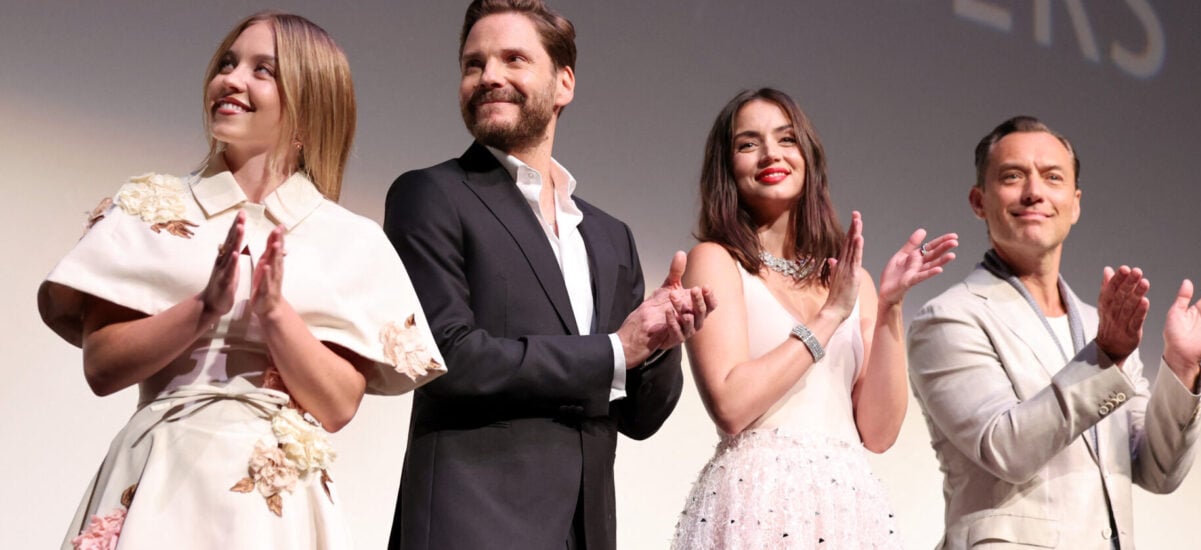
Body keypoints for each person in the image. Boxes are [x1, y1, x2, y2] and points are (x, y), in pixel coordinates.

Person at [38, 11, 446, 549]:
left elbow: (337, 406)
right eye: (227, 64)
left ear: (309, 102)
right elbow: (102, 367)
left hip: (275, 504)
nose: (231, 80)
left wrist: (276, 315)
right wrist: (203, 309)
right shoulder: (151, 205)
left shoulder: (348, 239)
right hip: (161, 475)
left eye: (263, 70)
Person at [382, 1, 714, 549]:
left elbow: (639, 418)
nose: (490, 76)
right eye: (473, 64)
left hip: (583, 531)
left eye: (514, 59)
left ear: (564, 84)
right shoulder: (431, 195)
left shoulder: (610, 237)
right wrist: (616, 349)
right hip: (471, 526)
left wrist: (658, 344)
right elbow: (446, 357)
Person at [907, 116, 1201, 549]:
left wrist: (1181, 367)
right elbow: (1006, 449)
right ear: (979, 201)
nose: (1034, 192)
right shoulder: (947, 318)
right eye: (1013, 176)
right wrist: (1106, 355)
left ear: (1074, 204)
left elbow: (1158, 470)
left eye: (1052, 177)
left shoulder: (1098, 324)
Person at [670, 88, 959, 549]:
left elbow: (879, 434)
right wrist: (829, 317)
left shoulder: (850, 281)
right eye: (748, 144)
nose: (771, 153)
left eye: (787, 139)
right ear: (727, 168)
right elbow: (731, 406)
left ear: (808, 156)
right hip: (754, 504)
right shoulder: (716, 262)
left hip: (846, 508)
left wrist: (890, 308)